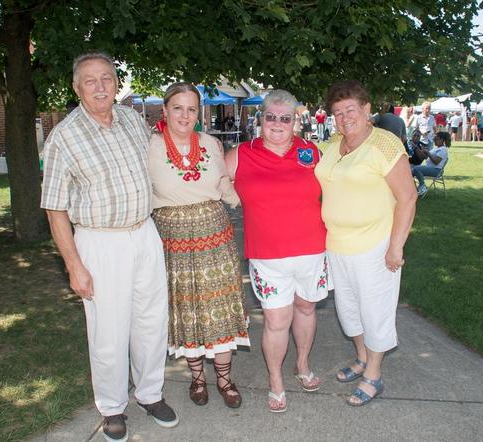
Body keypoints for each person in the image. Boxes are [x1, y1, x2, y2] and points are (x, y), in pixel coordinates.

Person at [41, 52, 178, 442]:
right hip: (100, 242)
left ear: (117, 82)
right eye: (90, 80)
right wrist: (74, 265)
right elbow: (55, 209)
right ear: (76, 88)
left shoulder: (132, 120)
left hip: (145, 233)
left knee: (152, 320)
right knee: (108, 330)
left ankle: (150, 394)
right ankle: (113, 407)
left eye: (107, 78)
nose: (100, 86)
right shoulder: (63, 137)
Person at [226, 90, 330, 413]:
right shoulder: (241, 154)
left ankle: (302, 364)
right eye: (271, 116)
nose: (277, 124)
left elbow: (341, 190)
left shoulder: (311, 152)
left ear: (296, 121)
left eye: (286, 118)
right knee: (276, 319)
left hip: (312, 249)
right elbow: (209, 183)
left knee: (306, 308)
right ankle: (275, 381)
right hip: (267, 255)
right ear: (261, 118)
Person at [314, 80, 417, 407]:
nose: (344, 118)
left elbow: (408, 197)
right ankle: (361, 358)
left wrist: (396, 247)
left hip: (375, 244)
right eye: (337, 112)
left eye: (350, 110)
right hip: (337, 244)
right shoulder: (332, 144)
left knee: (375, 312)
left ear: (367, 109)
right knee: (348, 311)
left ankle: (373, 374)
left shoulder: (384, 144)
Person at [147, 82, 249, 409]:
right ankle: (197, 378)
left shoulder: (211, 144)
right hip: (173, 240)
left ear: (199, 113)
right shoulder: (148, 147)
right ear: (165, 111)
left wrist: (252, 204)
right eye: (178, 107)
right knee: (186, 308)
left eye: (192, 108)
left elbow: (223, 184)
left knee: (219, 307)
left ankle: (224, 378)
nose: (185, 115)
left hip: (215, 236)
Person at [412, 131, 450, 196]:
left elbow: (436, 162)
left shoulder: (443, 150)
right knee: (411, 171)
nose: (434, 141)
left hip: (436, 170)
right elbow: (427, 158)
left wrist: (428, 153)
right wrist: (423, 151)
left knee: (415, 169)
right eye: (434, 139)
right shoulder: (436, 148)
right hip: (430, 168)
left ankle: (422, 186)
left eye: (436, 139)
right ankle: (413, 189)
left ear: (442, 140)